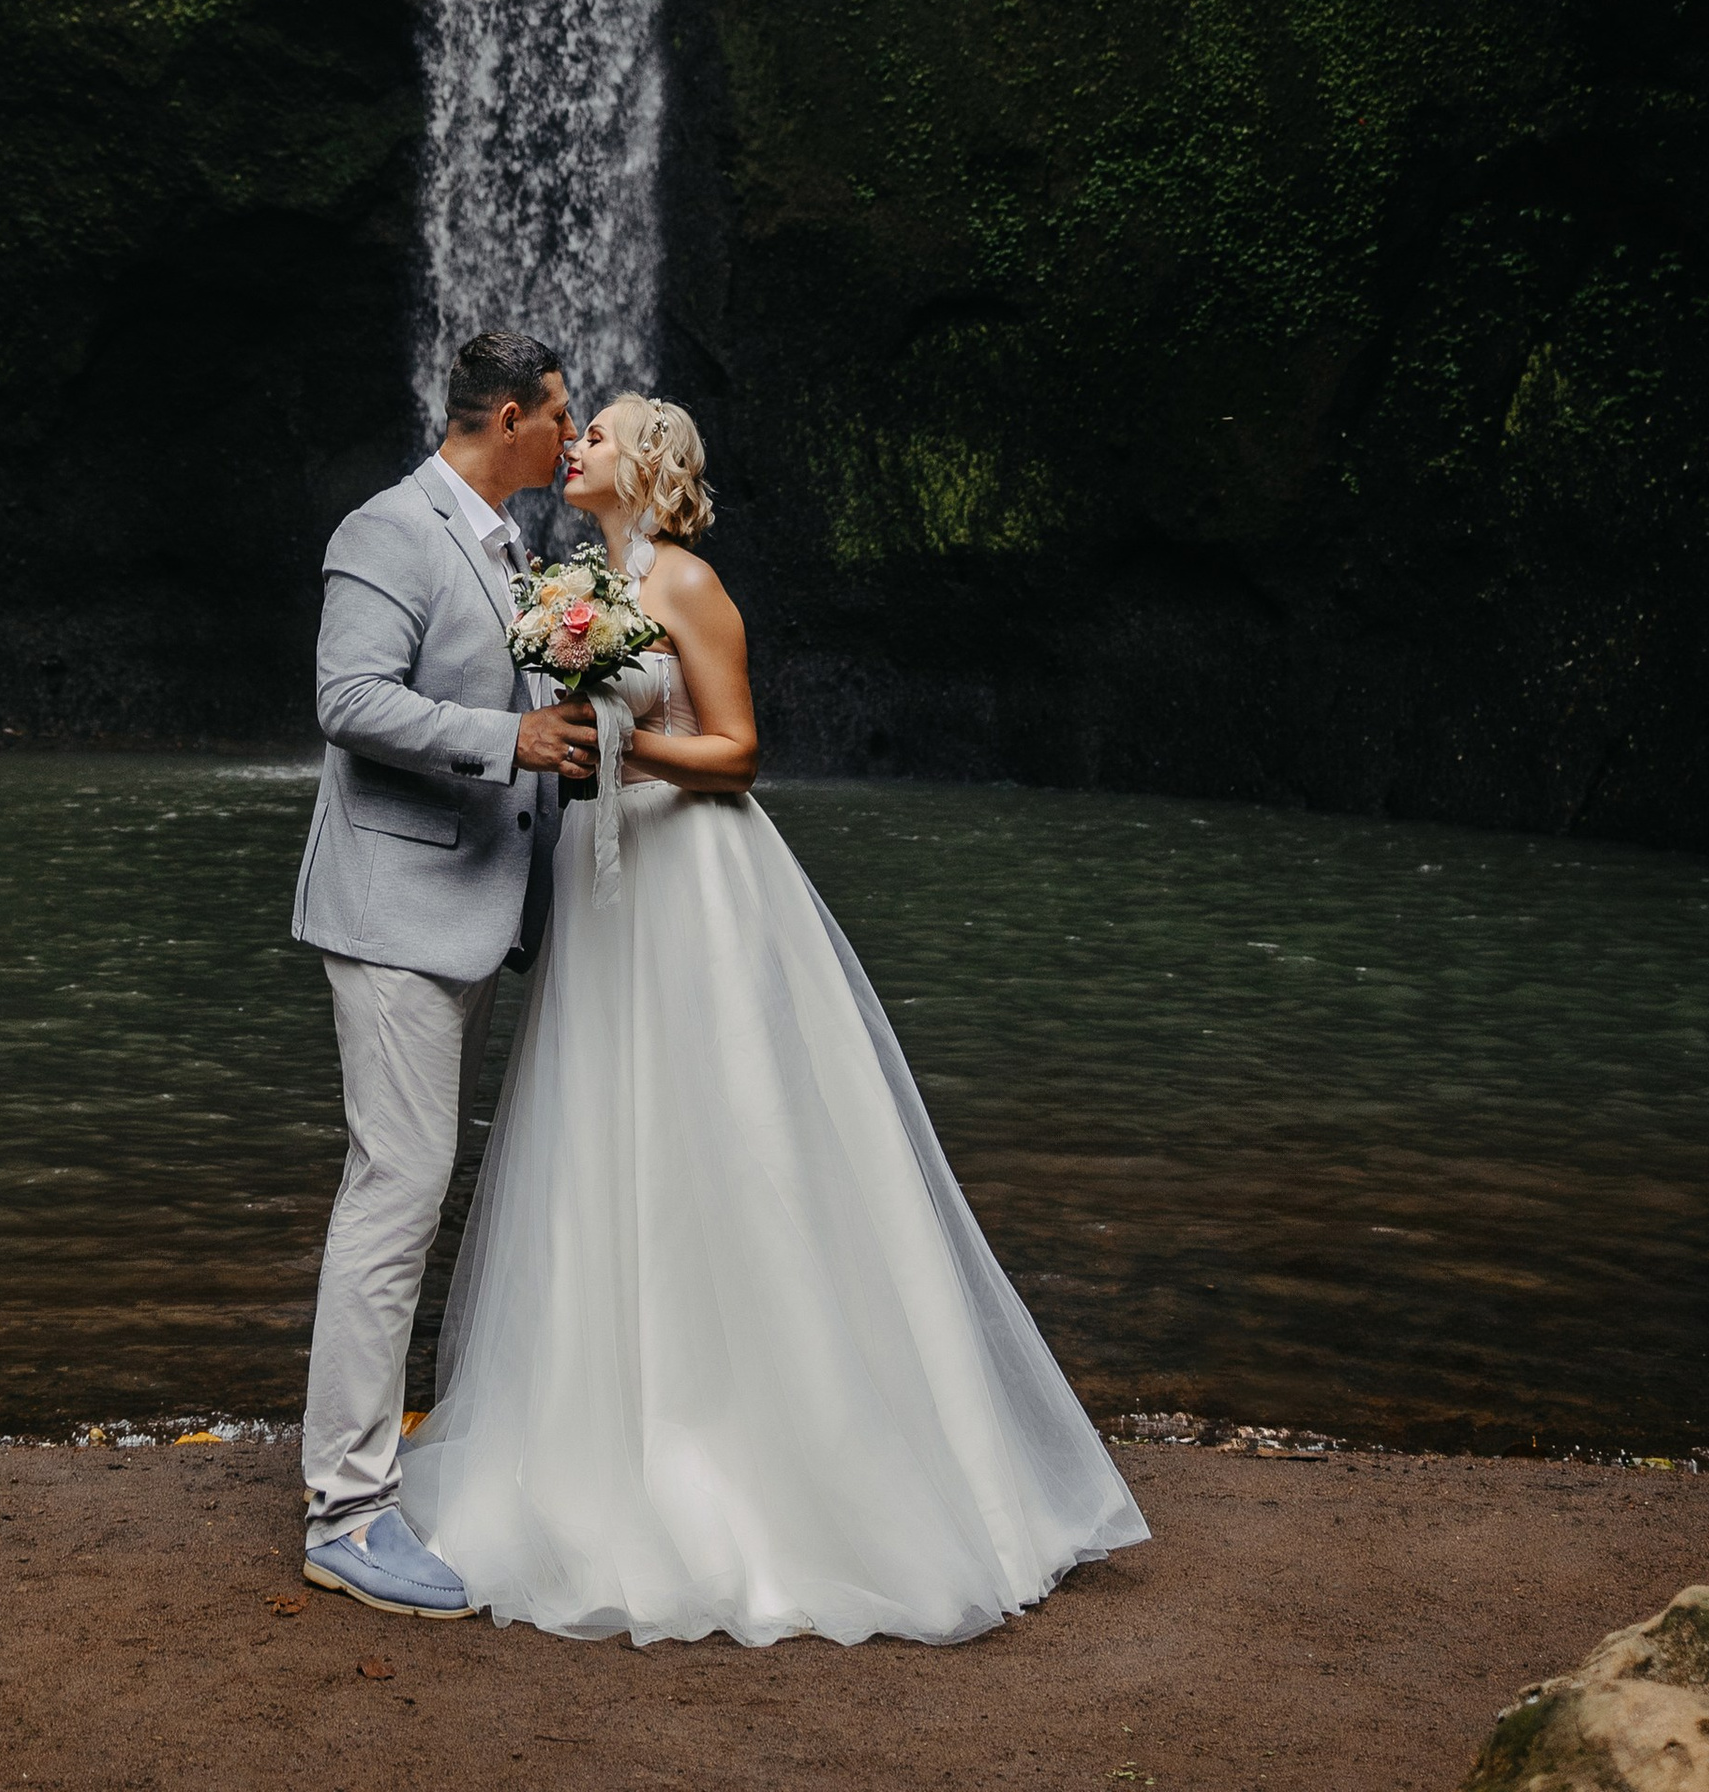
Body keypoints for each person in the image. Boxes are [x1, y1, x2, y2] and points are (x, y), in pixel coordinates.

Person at [396, 390, 1151, 1646]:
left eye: (599, 433)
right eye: (573, 430)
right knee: (603, 1138)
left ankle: (776, 1443)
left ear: (649, 463)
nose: (574, 443)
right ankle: (597, 1430)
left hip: (692, 880)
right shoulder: (579, 581)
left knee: (730, 1137)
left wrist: (618, 745)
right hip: (607, 893)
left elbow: (740, 752)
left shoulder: (686, 583)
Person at [288, 325, 598, 1619]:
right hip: (393, 916)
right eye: (562, 414)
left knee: (410, 1187)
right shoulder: (388, 528)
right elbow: (349, 699)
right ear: (510, 417)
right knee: (396, 1192)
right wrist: (510, 738)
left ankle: (368, 1473)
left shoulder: (507, 544)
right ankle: (346, 1514)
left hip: (467, 909)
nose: (574, 437)